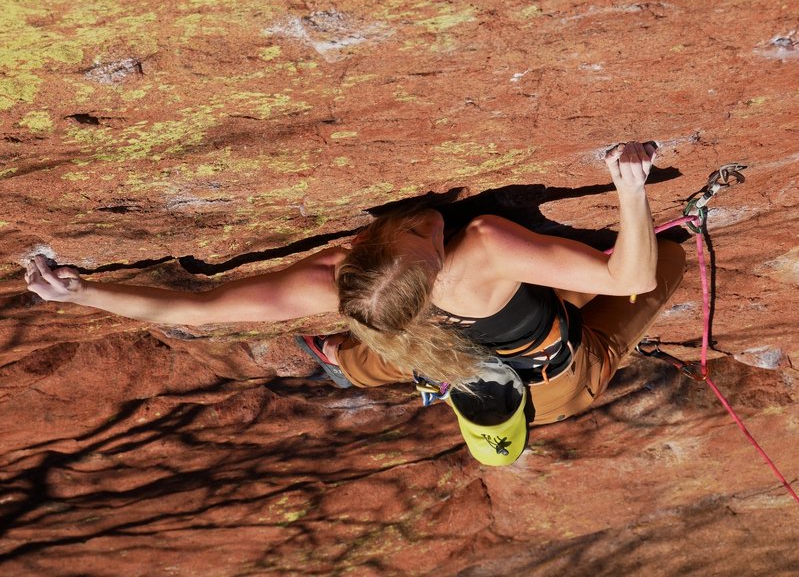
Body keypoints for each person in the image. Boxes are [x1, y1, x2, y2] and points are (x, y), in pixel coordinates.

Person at [25, 141, 685, 465]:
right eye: (431, 241)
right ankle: (355, 364)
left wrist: (85, 291)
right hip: (554, 379)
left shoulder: (332, 280)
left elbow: (200, 309)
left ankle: (349, 362)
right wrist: (629, 189)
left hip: (423, 351)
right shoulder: (478, 253)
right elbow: (626, 271)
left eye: (424, 235)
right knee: (671, 257)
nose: (433, 224)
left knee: (400, 355)